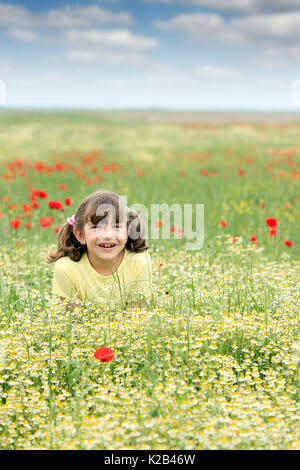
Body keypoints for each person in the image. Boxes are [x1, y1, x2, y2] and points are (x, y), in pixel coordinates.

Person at [46, 189, 152, 312]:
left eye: (116, 226)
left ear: (127, 232)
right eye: (97, 227)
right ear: (80, 235)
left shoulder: (139, 262)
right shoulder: (66, 268)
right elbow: (74, 322)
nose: (107, 235)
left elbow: (135, 319)